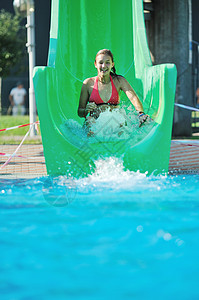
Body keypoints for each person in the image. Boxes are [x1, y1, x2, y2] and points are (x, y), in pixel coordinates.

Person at [78, 49, 148, 135]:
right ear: (95, 64)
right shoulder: (88, 84)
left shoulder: (119, 81)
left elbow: (133, 98)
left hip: (114, 121)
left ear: (112, 64)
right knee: (89, 121)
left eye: (107, 62)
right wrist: (85, 110)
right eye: (100, 62)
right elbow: (80, 112)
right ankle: (92, 138)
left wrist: (141, 114)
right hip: (95, 122)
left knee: (122, 123)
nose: (104, 66)